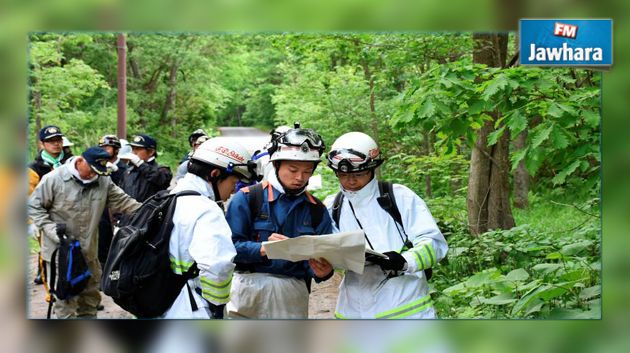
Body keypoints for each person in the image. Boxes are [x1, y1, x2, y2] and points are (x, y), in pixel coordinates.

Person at [324, 132, 448, 319]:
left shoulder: (399, 197)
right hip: (353, 312)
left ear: (372, 168)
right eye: (342, 175)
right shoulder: (332, 205)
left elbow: (434, 244)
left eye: (358, 174)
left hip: (407, 310)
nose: (351, 181)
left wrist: (405, 261)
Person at [225, 126, 334, 319]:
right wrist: (264, 249)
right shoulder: (248, 199)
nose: (300, 178)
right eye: (293, 170)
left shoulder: (316, 210)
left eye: (307, 171)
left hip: (292, 294)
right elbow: (227, 249)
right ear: (276, 165)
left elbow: (320, 261)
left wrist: (323, 271)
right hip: (247, 291)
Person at [28, 147, 141, 318]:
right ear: (80, 161)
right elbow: (33, 206)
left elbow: (125, 202)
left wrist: (152, 211)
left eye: (98, 172)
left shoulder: (103, 181)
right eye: (91, 170)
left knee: (90, 301)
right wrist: (50, 228)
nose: (93, 175)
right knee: (65, 302)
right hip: (61, 254)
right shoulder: (54, 179)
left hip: (89, 252)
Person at [163, 137, 257, 319]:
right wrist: (217, 306)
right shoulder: (207, 210)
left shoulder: (168, 198)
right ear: (215, 174)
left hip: (161, 302)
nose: (233, 190)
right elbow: (218, 265)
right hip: (191, 309)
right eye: (233, 182)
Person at [28, 125, 72, 285]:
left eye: (58, 140)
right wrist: (32, 222)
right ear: (42, 144)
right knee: (50, 258)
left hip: (74, 216)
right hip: (47, 220)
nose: (56, 144)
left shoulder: (72, 163)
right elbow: (29, 197)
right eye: (51, 141)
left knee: (78, 256)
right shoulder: (33, 169)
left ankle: (79, 295)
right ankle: (53, 294)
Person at [97, 135, 129, 268]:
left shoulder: (124, 169)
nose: (104, 150)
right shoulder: (97, 167)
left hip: (119, 211)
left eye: (107, 147)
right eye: (102, 147)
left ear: (116, 150)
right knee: (101, 243)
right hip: (102, 211)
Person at [119, 134, 172, 203]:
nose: (134, 152)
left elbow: (159, 179)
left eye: (138, 149)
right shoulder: (129, 171)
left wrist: (140, 164)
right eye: (133, 149)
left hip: (150, 212)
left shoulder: (162, 170)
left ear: (151, 152)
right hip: (127, 212)